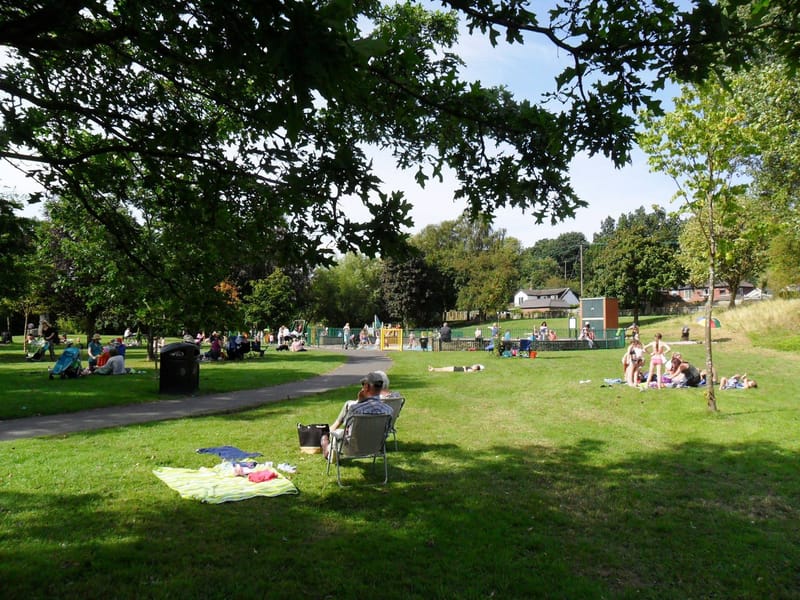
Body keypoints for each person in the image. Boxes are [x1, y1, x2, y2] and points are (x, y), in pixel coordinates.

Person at [322, 371, 394, 459]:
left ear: (366, 387)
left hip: (353, 449)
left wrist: (360, 402)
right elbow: (386, 432)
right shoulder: (389, 410)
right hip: (376, 448)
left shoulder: (355, 409)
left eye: (363, 384)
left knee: (335, 434)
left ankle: (327, 449)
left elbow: (346, 428)